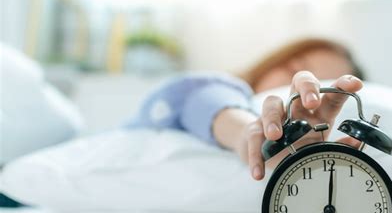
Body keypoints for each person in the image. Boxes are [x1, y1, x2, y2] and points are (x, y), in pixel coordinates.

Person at [128, 38, 364, 180]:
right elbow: (202, 100)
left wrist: (281, 149)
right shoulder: (219, 89)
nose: (300, 95)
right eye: (295, 68)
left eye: (322, 88)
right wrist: (251, 132)